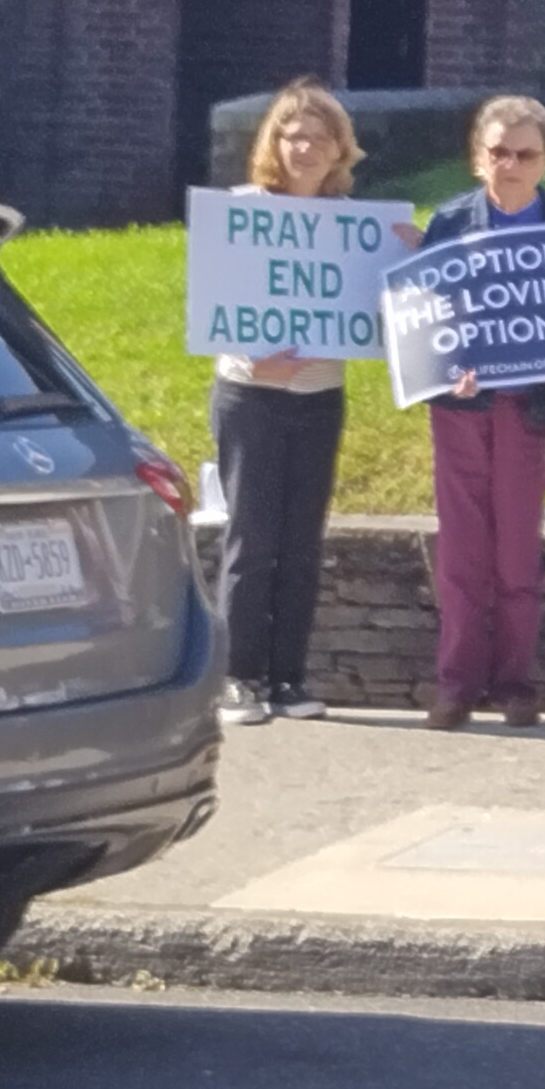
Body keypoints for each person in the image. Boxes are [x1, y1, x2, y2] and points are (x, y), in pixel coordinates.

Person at [415, 94, 545, 731]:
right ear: (477, 158)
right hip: (460, 406)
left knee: (516, 552)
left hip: (533, 407)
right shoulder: (448, 224)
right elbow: (422, 324)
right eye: (498, 152)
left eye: (524, 154)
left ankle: (513, 683)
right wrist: (444, 365)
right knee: (461, 548)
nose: (510, 164)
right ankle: (456, 684)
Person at [209, 79, 370, 727]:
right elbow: (214, 306)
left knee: (303, 543)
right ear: (273, 142)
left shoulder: (354, 225)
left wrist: (407, 256)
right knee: (251, 540)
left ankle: (288, 677)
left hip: (320, 396)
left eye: (318, 136)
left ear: (339, 149)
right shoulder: (242, 210)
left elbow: (377, 309)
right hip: (250, 396)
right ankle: (238, 679)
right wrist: (254, 355)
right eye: (291, 134)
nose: (304, 147)